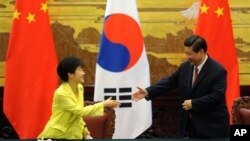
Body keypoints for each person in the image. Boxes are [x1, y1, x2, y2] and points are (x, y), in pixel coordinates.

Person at [132, 35, 229, 138]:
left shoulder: (218, 71)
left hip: (211, 127)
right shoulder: (185, 67)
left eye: (189, 54)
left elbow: (217, 95)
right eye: (186, 53)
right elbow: (170, 82)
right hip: (188, 126)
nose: (187, 57)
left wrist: (194, 103)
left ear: (201, 52)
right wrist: (148, 91)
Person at [38, 56, 120, 139]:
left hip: (74, 135)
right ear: (70, 74)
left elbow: (77, 116)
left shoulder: (80, 88)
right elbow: (80, 111)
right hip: (57, 136)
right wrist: (103, 104)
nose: (83, 73)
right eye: (80, 70)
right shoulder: (61, 93)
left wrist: (85, 130)